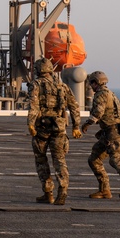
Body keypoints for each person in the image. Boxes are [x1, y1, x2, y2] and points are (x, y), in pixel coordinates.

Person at [27, 58, 81, 205]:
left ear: (38, 70)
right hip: (59, 127)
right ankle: (63, 191)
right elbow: (74, 106)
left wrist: (30, 124)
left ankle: (48, 193)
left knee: (41, 160)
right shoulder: (62, 86)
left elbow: (34, 106)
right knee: (60, 161)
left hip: (42, 129)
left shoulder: (36, 84)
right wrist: (76, 126)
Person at [81, 70, 120, 199]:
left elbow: (98, 112)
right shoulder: (111, 93)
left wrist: (87, 124)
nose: (91, 85)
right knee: (94, 159)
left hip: (112, 132)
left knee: (115, 158)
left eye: (92, 82)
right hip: (109, 132)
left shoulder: (101, 94)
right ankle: (104, 190)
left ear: (97, 82)